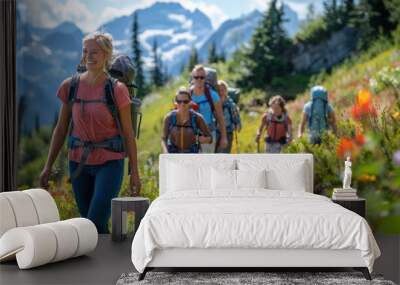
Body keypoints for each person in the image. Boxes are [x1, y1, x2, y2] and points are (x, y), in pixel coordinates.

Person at [39, 31, 141, 234]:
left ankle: (104, 263)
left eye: (94, 52)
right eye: (85, 51)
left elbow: (129, 135)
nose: (89, 56)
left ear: (106, 55)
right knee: (88, 224)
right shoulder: (70, 86)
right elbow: (61, 128)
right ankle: (103, 264)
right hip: (78, 163)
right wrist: (48, 165)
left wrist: (134, 172)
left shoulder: (117, 89)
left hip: (110, 163)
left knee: (94, 221)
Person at [161, 87, 212, 153]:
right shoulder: (169, 118)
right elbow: (163, 139)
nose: (182, 104)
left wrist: (203, 140)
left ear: (190, 102)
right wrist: (166, 152)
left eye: (185, 101)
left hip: (192, 156)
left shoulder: (197, 118)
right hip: (174, 156)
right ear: (175, 103)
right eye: (179, 102)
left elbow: (210, 138)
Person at [190, 65, 228, 153]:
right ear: (193, 78)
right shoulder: (188, 95)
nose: (199, 80)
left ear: (205, 78)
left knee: (207, 163)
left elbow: (220, 118)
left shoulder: (213, 95)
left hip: (208, 134)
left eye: (202, 77)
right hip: (191, 135)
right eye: (196, 77)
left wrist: (224, 138)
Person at [216, 80, 241, 153]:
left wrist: (238, 125)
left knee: (224, 152)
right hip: (216, 132)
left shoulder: (230, 104)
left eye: (222, 90)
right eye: (218, 90)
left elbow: (236, 115)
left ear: (226, 91)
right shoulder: (214, 103)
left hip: (228, 132)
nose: (220, 92)